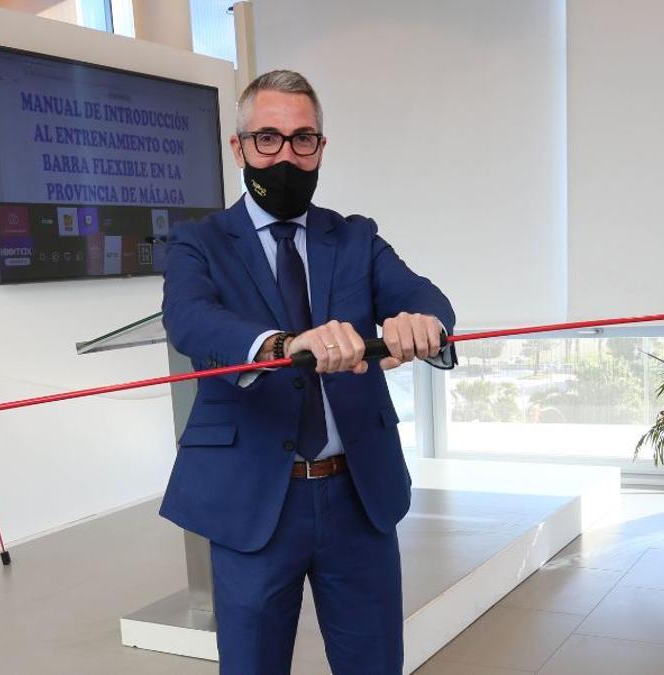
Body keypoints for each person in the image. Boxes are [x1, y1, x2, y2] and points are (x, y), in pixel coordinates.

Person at [160, 70, 455, 675]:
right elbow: (191, 322)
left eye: (303, 139)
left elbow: (426, 298)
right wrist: (283, 343)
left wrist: (421, 323)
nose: (286, 155)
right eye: (268, 138)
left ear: (322, 148)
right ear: (238, 147)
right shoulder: (199, 243)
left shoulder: (355, 239)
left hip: (358, 492)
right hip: (251, 497)